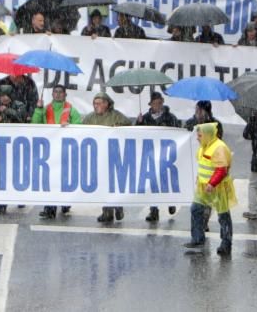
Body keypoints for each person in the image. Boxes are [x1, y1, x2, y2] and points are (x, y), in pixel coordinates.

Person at [183, 123, 236, 256]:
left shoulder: (219, 148)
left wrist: (212, 183)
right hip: (204, 187)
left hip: (218, 188)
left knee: (223, 216)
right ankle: (197, 238)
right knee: (196, 208)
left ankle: (226, 243)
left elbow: (221, 170)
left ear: (207, 135)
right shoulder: (204, 147)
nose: (197, 138)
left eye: (199, 135)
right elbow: (204, 165)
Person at [33, 85, 83, 219]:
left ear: (65, 95)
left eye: (61, 92)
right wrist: (38, 109)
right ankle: (50, 208)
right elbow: (35, 125)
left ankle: (65, 203)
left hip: (66, 150)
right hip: (50, 150)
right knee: (51, 179)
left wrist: (70, 126)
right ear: (52, 94)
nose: (58, 94)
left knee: (64, 179)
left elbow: (80, 126)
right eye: (56, 92)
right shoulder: (44, 108)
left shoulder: (71, 110)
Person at [83, 93, 131, 222]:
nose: (96, 106)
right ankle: (107, 211)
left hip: (114, 154)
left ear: (107, 104)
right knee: (103, 183)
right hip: (98, 155)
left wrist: (120, 128)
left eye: (99, 103)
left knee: (113, 183)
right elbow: (80, 130)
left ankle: (118, 205)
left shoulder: (116, 115)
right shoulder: (90, 118)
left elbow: (129, 126)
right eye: (95, 103)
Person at [137, 92, 181, 222]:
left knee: (166, 181)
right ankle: (154, 211)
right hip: (150, 154)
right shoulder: (145, 118)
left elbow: (178, 133)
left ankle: (170, 201)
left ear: (162, 103)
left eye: (159, 103)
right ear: (151, 104)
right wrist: (139, 123)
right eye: (155, 103)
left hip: (166, 154)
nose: (157, 105)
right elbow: (137, 134)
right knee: (153, 183)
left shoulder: (171, 118)